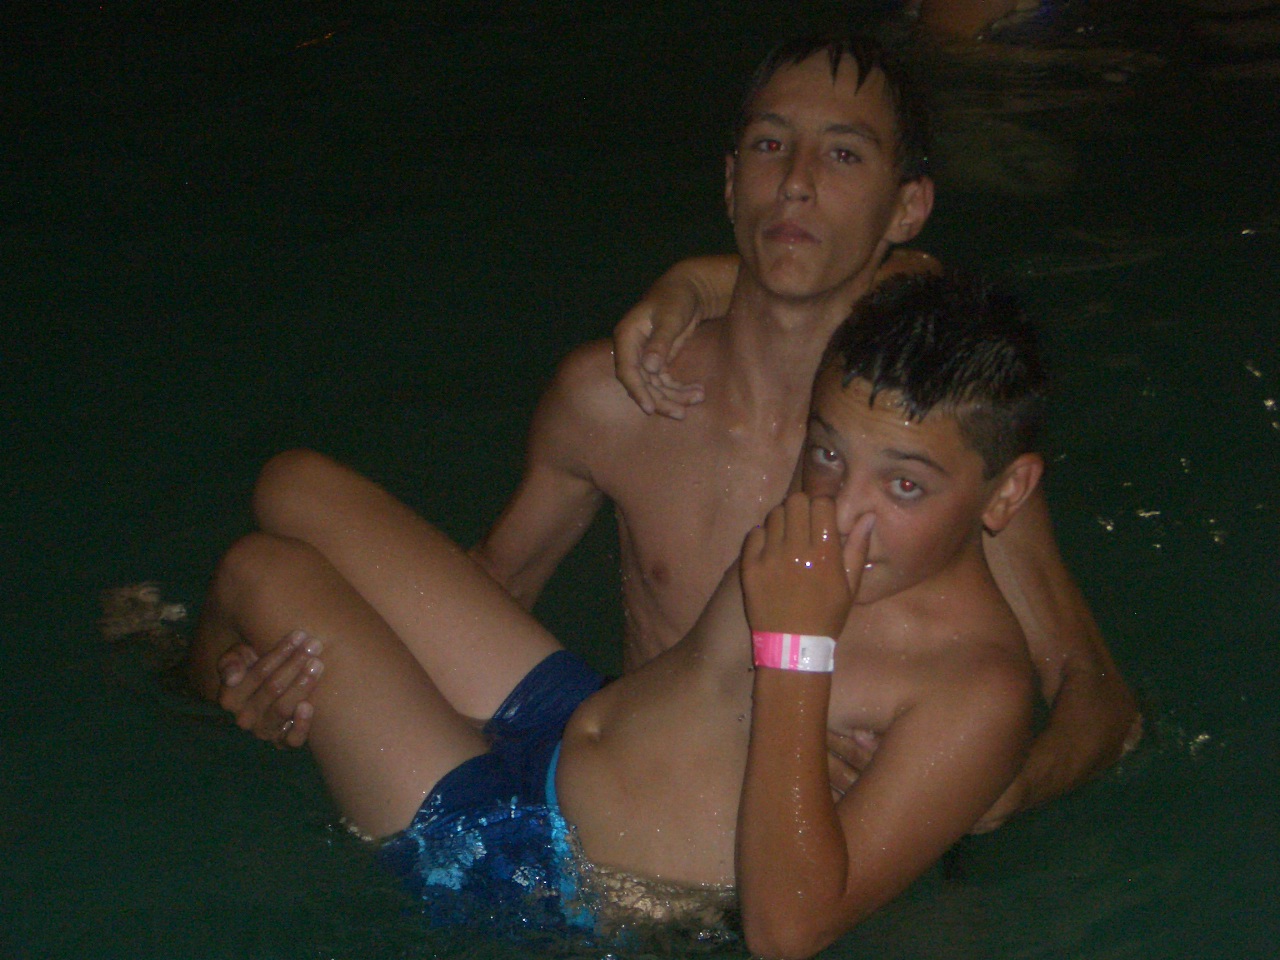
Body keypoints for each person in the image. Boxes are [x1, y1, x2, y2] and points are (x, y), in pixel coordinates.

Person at [216, 34, 1139, 831]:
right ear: (733, 181)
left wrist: (996, 793)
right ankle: (190, 663)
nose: (798, 182)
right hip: (603, 749)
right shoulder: (616, 396)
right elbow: (495, 583)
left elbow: (1098, 698)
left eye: (843, 156)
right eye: (771, 145)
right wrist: (271, 676)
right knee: (287, 498)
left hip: (740, 849)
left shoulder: (927, 451)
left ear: (906, 209)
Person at [188, 269, 1049, 956]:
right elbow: (810, 266)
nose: (841, 509)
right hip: (573, 719)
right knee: (292, 486)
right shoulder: (846, 486)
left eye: (905, 486)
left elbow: (788, 932)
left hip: (539, 873)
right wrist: (688, 286)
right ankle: (228, 685)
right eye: (826, 452)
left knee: (261, 574)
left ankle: (192, 692)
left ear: (1006, 493)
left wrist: (798, 647)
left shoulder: (977, 690)